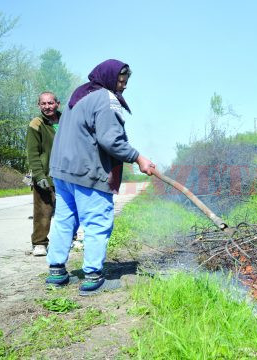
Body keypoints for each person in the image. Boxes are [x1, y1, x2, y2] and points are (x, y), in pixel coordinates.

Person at [45, 59, 155, 295]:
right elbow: (111, 140)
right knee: (97, 221)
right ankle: (93, 278)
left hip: (62, 170)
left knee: (65, 220)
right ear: (108, 78)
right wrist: (138, 158)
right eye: (120, 81)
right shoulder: (106, 98)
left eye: (125, 82)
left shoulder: (80, 93)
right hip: (86, 170)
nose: (123, 86)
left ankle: (56, 272)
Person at [26, 92, 60, 256]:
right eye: (44, 104)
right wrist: (39, 176)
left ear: (57, 104)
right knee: (43, 211)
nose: (47, 107)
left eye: (50, 103)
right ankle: (39, 243)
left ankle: (71, 238)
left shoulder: (66, 121)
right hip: (45, 174)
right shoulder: (36, 124)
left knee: (67, 210)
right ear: (39, 105)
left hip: (66, 174)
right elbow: (32, 153)